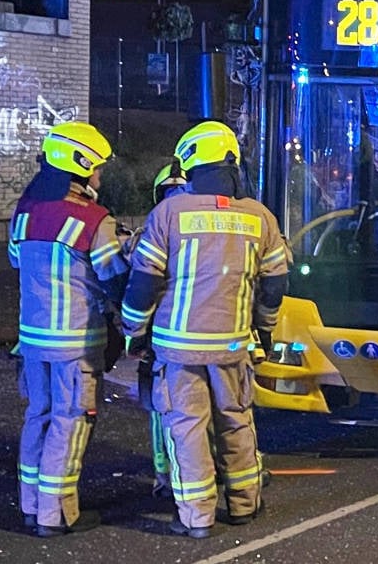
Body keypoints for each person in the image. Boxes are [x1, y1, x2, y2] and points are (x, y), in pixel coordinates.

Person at [122, 120, 289, 538]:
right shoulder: (260, 217)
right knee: (236, 419)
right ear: (231, 158)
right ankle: (245, 504)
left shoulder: (168, 214)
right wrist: (263, 332)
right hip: (233, 345)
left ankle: (198, 517)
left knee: (187, 426)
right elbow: (276, 284)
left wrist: (133, 329)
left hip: (178, 350)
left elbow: (144, 280)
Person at [10, 121, 128, 537]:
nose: (99, 176)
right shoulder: (95, 220)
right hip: (75, 342)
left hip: (32, 340)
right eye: (96, 168)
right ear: (79, 168)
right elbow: (114, 277)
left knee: (37, 416)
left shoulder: (23, 211)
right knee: (71, 421)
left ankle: (30, 505)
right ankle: (57, 514)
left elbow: (16, 261)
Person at [139, 162, 188, 500]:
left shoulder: (153, 231)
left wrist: (134, 332)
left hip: (167, 337)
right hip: (173, 337)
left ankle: (171, 476)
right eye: (168, 194)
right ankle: (166, 475)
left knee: (170, 410)